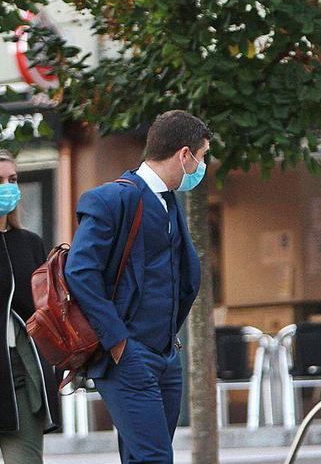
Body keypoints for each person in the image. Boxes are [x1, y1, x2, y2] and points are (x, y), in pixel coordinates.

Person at [65, 111, 209, 463]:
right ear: (184, 154)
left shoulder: (171, 202)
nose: (203, 166)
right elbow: (80, 271)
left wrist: (169, 341)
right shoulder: (112, 199)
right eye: (203, 156)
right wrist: (117, 342)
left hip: (164, 355)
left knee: (141, 457)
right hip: (127, 354)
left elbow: (183, 276)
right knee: (155, 458)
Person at [0, 149, 61, 463]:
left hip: (21, 377)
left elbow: (45, 310)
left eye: (12, 179)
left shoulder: (30, 243)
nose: (7, 187)